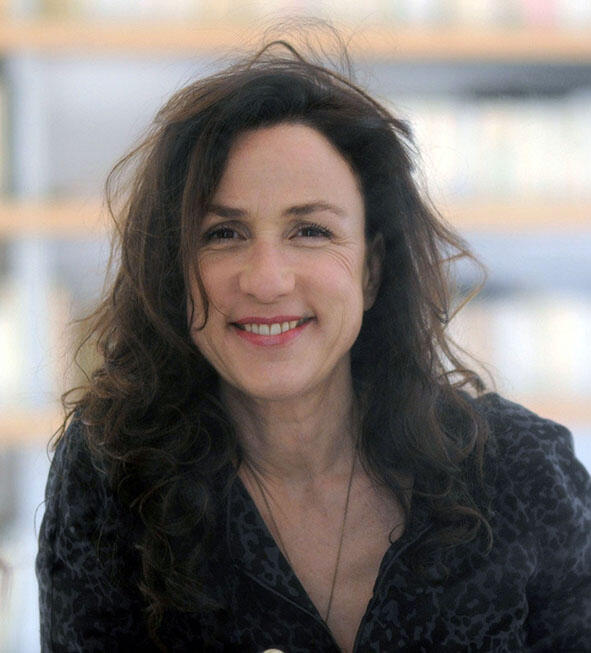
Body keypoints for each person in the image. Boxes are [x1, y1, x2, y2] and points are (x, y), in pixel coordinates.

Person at [36, 31, 591, 653]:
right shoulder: (113, 478)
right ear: (173, 270)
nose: (267, 280)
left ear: (372, 270)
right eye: (223, 234)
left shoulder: (522, 471)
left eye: (309, 230)